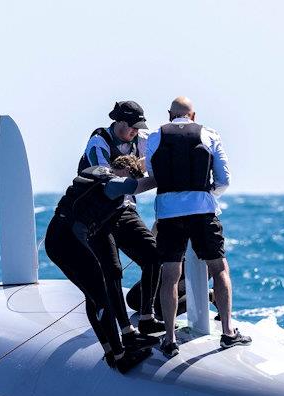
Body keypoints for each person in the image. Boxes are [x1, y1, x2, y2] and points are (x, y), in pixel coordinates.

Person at [146, 96, 252, 357]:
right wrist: (205, 195)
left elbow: (153, 174)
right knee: (219, 268)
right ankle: (228, 332)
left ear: (170, 114)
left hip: (169, 213)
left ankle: (170, 339)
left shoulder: (154, 136)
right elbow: (224, 179)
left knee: (170, 274)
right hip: (203, 211)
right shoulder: (210, 134)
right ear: (193, 116)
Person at [46, 155, 157, 373]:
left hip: (56, 240)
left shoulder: (97, 176)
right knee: (102, 297)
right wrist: (165, 176)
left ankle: (110, 351)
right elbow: (134, 186)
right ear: (123, 171)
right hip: (69, 243)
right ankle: (121, 355)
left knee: (94, 296)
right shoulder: (112, 182)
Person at [78, 101, 164, 335]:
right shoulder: (99, 142)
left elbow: (161, 148)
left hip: (125, 210)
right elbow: (109, 184)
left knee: (153, 256)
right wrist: (152, 180)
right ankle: (123, 330)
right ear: (119, 122)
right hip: (98, 215)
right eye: (132, 127)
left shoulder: (141, 139)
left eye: (138, 127)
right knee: (113, 271)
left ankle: (147, 317)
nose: (135, 131)